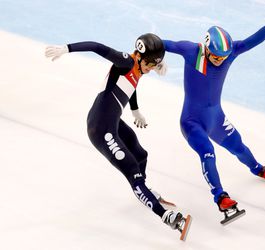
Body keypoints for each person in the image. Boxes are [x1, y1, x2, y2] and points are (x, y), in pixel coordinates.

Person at [44, 33, 191, 239]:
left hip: (113, 121)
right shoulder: (126, 61)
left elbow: (131, 85)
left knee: (141, 154)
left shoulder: (139, 67)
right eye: (150, 65)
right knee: (133, 171)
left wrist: (135, 110)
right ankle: (167, 217)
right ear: (140, 58)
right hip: (100, 128)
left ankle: (143, 190)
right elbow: (97, 46)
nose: (150, 70)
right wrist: (66, 48)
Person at [160, 7, 265, 213]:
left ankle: (257, 168)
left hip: (216, 118)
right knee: (208, 153)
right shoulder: (191, 51)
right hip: (192, 122)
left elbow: (253, 41)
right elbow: (159, 43)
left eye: (223, 57)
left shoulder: (229, 52)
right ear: (206, 49)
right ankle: (220, 197)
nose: (220, 60)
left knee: (239, 146)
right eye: (216, 56)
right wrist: (157, 59)